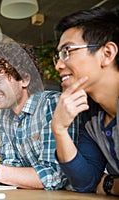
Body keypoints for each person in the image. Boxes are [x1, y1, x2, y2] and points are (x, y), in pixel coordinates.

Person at [0, 42, 79, 190]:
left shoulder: (51, 105)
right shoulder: (6, 116)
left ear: (24, 79)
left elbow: (53, 176)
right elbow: (11, 167)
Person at [51, 7, 119, 196]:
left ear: (107, 53)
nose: (58, 65)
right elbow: (85, 182)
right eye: (59, 55)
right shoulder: (93, 115)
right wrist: (59, 129)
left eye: (67, 51)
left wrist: (108, 184)